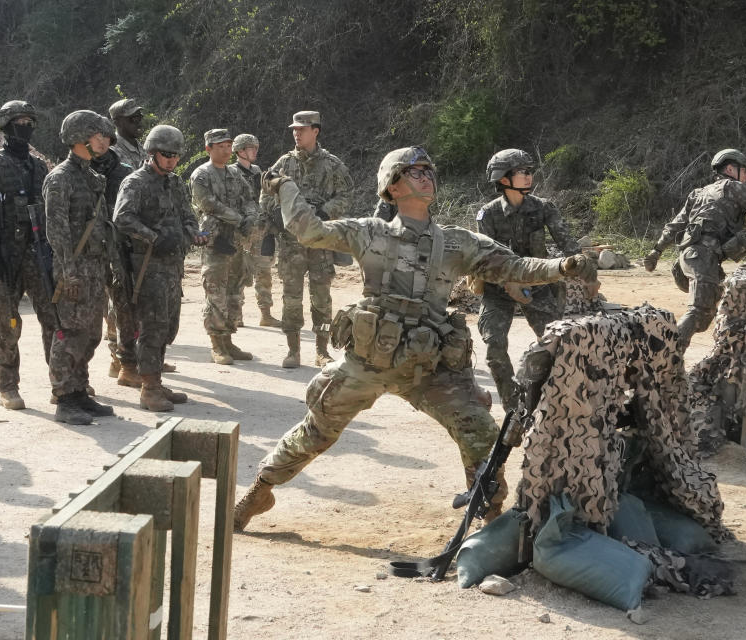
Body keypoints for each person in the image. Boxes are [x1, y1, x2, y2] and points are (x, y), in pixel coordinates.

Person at [233, 146, 597, 531]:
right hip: (370, 363)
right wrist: (286, 186)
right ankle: (261, 489)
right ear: (392, 187)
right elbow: (309, 230)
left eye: (428, 170)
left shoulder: (458, 242)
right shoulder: (369, 233)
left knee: (481, 434)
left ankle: (490, 519)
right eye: (414, 171)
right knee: (316, 432)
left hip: (432, 368)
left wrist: (563, 266)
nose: (426, 176)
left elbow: (515, 266)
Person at [476, 149, 584, 413]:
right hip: (498, 288)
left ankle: (561, 403)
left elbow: (569, 245)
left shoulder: (544, 207)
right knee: (494, 347)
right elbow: (484, 258)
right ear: (503, 178)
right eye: (522, 172)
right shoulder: (488, 215)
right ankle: (515, 409)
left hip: (538, 285)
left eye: (530, 171)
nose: (529, 176)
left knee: (558, 344)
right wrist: (509, 285)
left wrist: (587, 275)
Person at [113, 125, 207, 410]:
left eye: (176, 156)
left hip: (172, 266)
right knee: (151, 327)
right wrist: (154, 237)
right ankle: (149, 387)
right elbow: (123, 218)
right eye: (166, 155)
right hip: (147, 268)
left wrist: (194, 232)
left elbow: (187, 214)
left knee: (168, 326)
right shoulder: (135, 182)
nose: (171, 160)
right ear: (152, 153)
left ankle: (156, 381)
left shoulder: (175, 182)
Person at [643, 148, 746, 349]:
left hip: (687, 260)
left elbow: (675, 225)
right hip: (703, 259)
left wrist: (656, 251)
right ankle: (667, 357)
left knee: (717, 306)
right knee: (699, 313)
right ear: (730, 169)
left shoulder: (699, 193)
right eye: (744, 171)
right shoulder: (733, 187)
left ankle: (725, 351)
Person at [0, 100, 56, 410]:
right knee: (7, 324)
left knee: (52, 316)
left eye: (29, 121)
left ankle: (61, 383)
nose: (25, 126)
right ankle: (8, 386)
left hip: (38, 254)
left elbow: (47, 211)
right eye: (19, 121)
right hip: (6, 256)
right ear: (7, 127)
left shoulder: (38, 166)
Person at [260, 110, 353, 368]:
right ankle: (293, 350)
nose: (296, 133)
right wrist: (278, 215)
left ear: (316, 131)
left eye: (302, 129)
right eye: (294, 129)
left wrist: (324, 212)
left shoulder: (333, 165)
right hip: (291, 244)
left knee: (322, 298)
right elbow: (266, 195)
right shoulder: (283, 164)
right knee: (291, 297)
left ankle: (322, 350)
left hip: (322, 242)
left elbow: (345, 197)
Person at [44, 110, 114, 424]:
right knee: (69, 333)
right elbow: (56, 229)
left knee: (91, 334)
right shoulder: (60, 178)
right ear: (80, 137)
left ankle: (79, 390)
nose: (106, 140)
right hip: (72, 268)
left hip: (95, 268)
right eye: (99, 135)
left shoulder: (92, 176)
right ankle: (64, 398)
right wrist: (68, 270)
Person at [190, 128, 259, 365]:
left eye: (228, 145)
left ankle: (229, 339)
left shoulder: (234, 174)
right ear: (208, 148)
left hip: (237, 241)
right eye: (220, 146)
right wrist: (239, 218)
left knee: (235, 289)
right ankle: (217, 344)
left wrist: (250, 217)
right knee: (215, 291)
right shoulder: (201, 175)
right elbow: (208, 204)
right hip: (216, 241)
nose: (226, 150)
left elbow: (249, 199)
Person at [90, 118, 140, 389]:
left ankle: (124, 362)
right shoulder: (77, 169)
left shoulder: (125, 172)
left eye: (107, 137)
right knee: (90, 310)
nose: (102, 142)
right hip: (89, 250)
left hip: (120, 245)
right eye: (97, 137)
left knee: (124, 305)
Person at [231, 133, 281, 328]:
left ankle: (266, 314)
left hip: (260, 229)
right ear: (240, 151)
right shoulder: (231, 173)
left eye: (256, 147)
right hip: (241, 231)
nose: (255, 151)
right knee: (239, 272)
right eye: (251, 148)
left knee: (264, 271)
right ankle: (236, 314)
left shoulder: (258, 171)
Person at [108, 98, 146, 169]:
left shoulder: (137, 145)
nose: (139, 122)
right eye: (134, 119)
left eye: (140, 117)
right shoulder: (113, 152)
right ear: (117, 123)